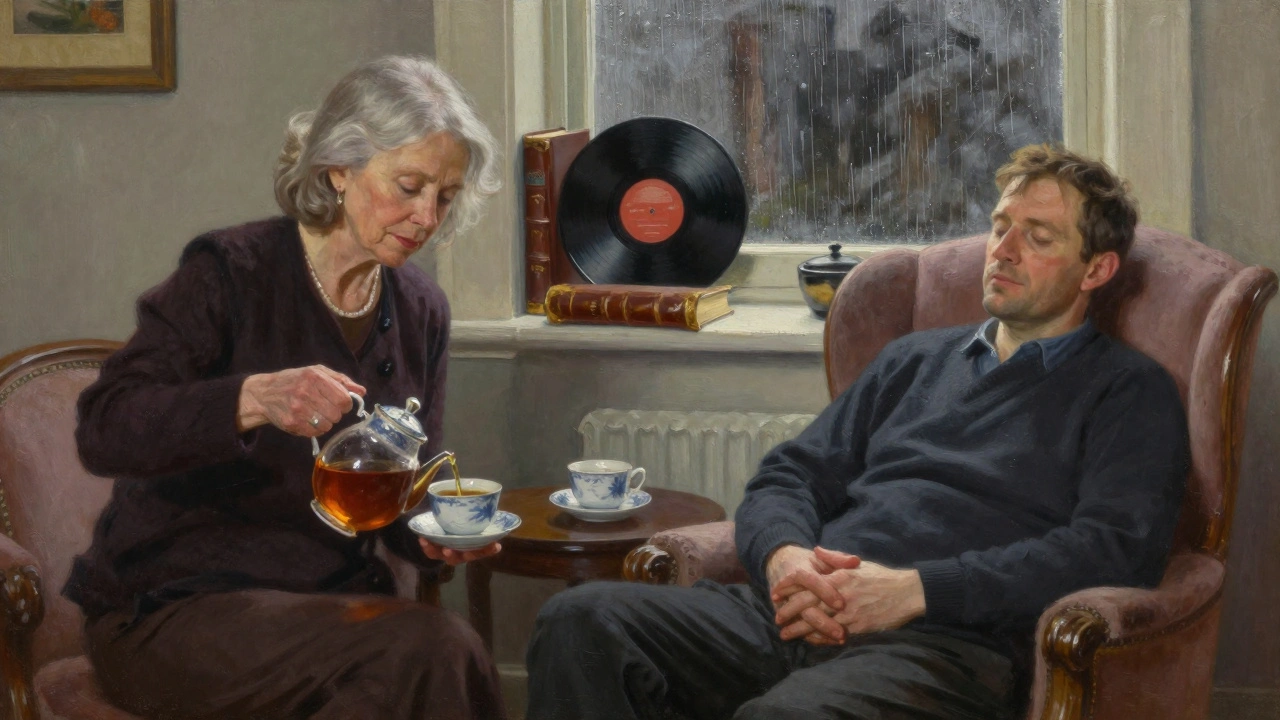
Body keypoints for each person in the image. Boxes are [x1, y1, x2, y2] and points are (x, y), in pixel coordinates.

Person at [525, 144, 1190, 720]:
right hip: (796, 612)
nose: (1004, 251)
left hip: (943, 645)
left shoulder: (1128, 392)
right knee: (580, 622)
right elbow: (790, 475)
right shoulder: (915, 359)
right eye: (1000, 226)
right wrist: (785, 559)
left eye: (1039, 238)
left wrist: (913, 590)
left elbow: (1111, 550)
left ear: (1096, 270)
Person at [65, 56, 506, 720]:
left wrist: (434, 536)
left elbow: (404, 495)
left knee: (407, 669)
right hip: (178, 608)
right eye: (409, 185)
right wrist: (251, 400)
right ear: (339, 168)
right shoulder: (230, 274)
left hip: (331, 606)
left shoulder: (420, 309)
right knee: (429, 650)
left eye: (445, 196)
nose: (427, 217)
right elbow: (105, 427)